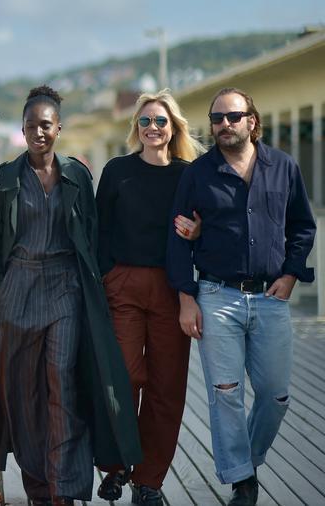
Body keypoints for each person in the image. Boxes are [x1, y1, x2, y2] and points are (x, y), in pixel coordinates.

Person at [0, 86, 141, 505]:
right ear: (23, 129)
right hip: (18, 290)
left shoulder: (77, 175)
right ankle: (38, 486)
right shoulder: (2, 178)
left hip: (65, 289)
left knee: (62, 385)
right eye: (31, 125)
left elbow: (91, 236)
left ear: (58, 129)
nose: (39, 132)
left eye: (46, 125)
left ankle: (64, 490)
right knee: (22, 395)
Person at [167, 87, 316, 506]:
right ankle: (242, 482)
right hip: (217, 296)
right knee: (226, 391)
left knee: (275, 394)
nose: (224, 125)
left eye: (232, 116)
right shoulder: (197, 174)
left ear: (252, 120)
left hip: (271, 298)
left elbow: (303, 227)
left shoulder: (283, 167)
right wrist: (186, 296)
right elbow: (178, 239)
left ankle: (246, 460)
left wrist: (291, 274)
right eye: (217, 119)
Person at [94, 91, 204, 505]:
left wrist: (198, 233)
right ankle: (117, 463)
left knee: (166, 385)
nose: (153, 128)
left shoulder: (187, 175)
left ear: (173, 127)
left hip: (172, 286)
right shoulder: (117, 170)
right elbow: (99, 228)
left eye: (160, 121)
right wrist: (106, 276)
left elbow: (204, 225)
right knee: (123, 377)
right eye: (145, 122)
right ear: (135, 128)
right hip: (121, 283)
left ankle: (148, 482)